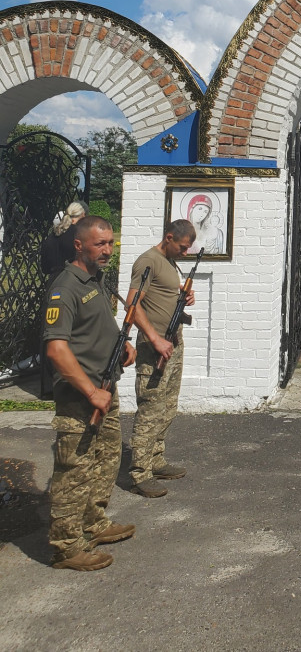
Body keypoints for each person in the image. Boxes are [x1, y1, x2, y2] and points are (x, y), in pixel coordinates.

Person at [43, 215, 136, 570]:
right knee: (73, 472)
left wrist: (121, 345)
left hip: (105, 387)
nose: (107, 250)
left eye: (111, 243)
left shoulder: (95, 281)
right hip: (80, 397)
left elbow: (98, 326)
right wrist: (90, 391)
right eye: (100, 244)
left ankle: (93, 523)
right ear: (78, 244)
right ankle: (66, 548)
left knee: (106, 460)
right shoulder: (64, 288)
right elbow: (56, 350)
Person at [127, 219, 197, 498]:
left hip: (173, 343)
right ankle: (139, 473)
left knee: (167, 406)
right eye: (182, 247)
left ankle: (155, 459)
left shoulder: (169, 261)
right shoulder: (149, 261)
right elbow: (133, 304)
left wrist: (184, 295)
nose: (185, 252)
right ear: (168, 238)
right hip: (153, 346)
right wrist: (154, 339)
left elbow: (164, 295)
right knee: (150, 409)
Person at [41, 201, 86, 279]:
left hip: (53, 281)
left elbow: (45, 268)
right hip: (73, 281)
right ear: (82, 216)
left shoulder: (53, 234)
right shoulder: (79, 235)